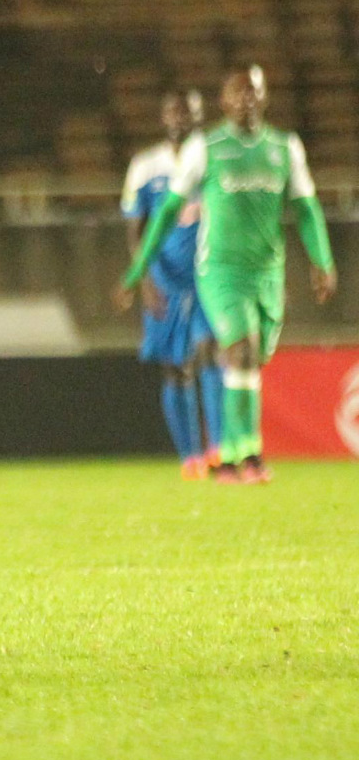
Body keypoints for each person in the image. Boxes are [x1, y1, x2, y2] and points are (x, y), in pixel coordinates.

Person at [119, 66, 338, 483]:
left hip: (266, 270)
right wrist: (138, 270)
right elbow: (165, 212)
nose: (246, 100)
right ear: (224, 102)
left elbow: (306, 209)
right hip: (219, 270)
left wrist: (322, 260)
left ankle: (238, 453)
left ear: (265, 96)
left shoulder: (284, 147)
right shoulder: (207, 148)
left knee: (251, 359)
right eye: (238, 94)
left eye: (253, 92)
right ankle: (236, 455)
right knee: (232, 352)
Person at [120, 89, 222, 478]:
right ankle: (190, 456)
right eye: (175, 113)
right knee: (175, 368)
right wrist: (143, 279)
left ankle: (218, 448)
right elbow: (135, 229)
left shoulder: (213, 158)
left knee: (211, 353)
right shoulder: (145, 165)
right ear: (164, 118)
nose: (182, 120)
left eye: (190, 113)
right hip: (165, 278)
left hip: (209, 274)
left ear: (201, 116)